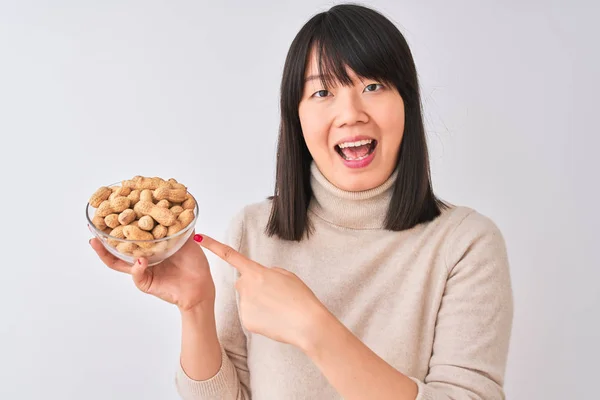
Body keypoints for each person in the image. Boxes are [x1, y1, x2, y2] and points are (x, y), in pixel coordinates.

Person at [90, 4, 513, 399]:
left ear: (407, 103)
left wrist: (314, 328)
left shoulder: (465, 244)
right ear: (296, 115)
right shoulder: (251, 231)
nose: (350, 113)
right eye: (322, 93)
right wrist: (196, 307)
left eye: (372, 85)